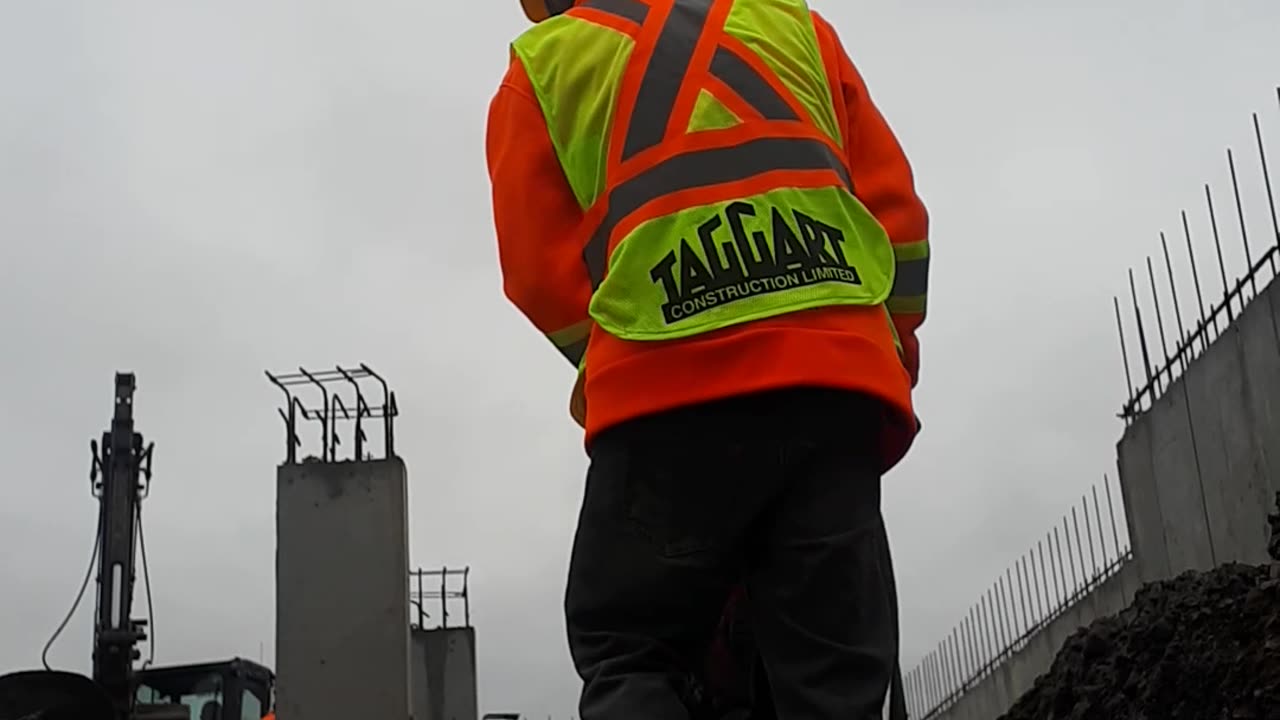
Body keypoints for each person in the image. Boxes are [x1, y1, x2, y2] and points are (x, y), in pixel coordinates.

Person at [486, 0, 930, 717]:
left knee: (635, 649)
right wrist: (890, 346)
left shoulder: (543, 68)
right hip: (832, 384)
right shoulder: (792, 25)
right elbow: (895, 213)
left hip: (663, 405)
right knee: (834, 676)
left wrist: (614, 362)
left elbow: (538, 272)